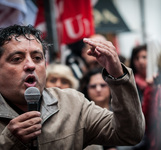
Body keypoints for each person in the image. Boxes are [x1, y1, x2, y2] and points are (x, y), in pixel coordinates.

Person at [0, 24, 145, 150]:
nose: (31, 65)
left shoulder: (73, 104)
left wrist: (118, 76)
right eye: (17, 59)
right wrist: (8, 142)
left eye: (37, 58)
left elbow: (130, 134)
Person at [79, 67, 116, 150]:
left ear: (110, 87)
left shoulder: (120, 112)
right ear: (86, 88)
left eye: (103, 85)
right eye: (93, 86)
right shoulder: (80, 115)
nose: (98, 89)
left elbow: (138, 138)